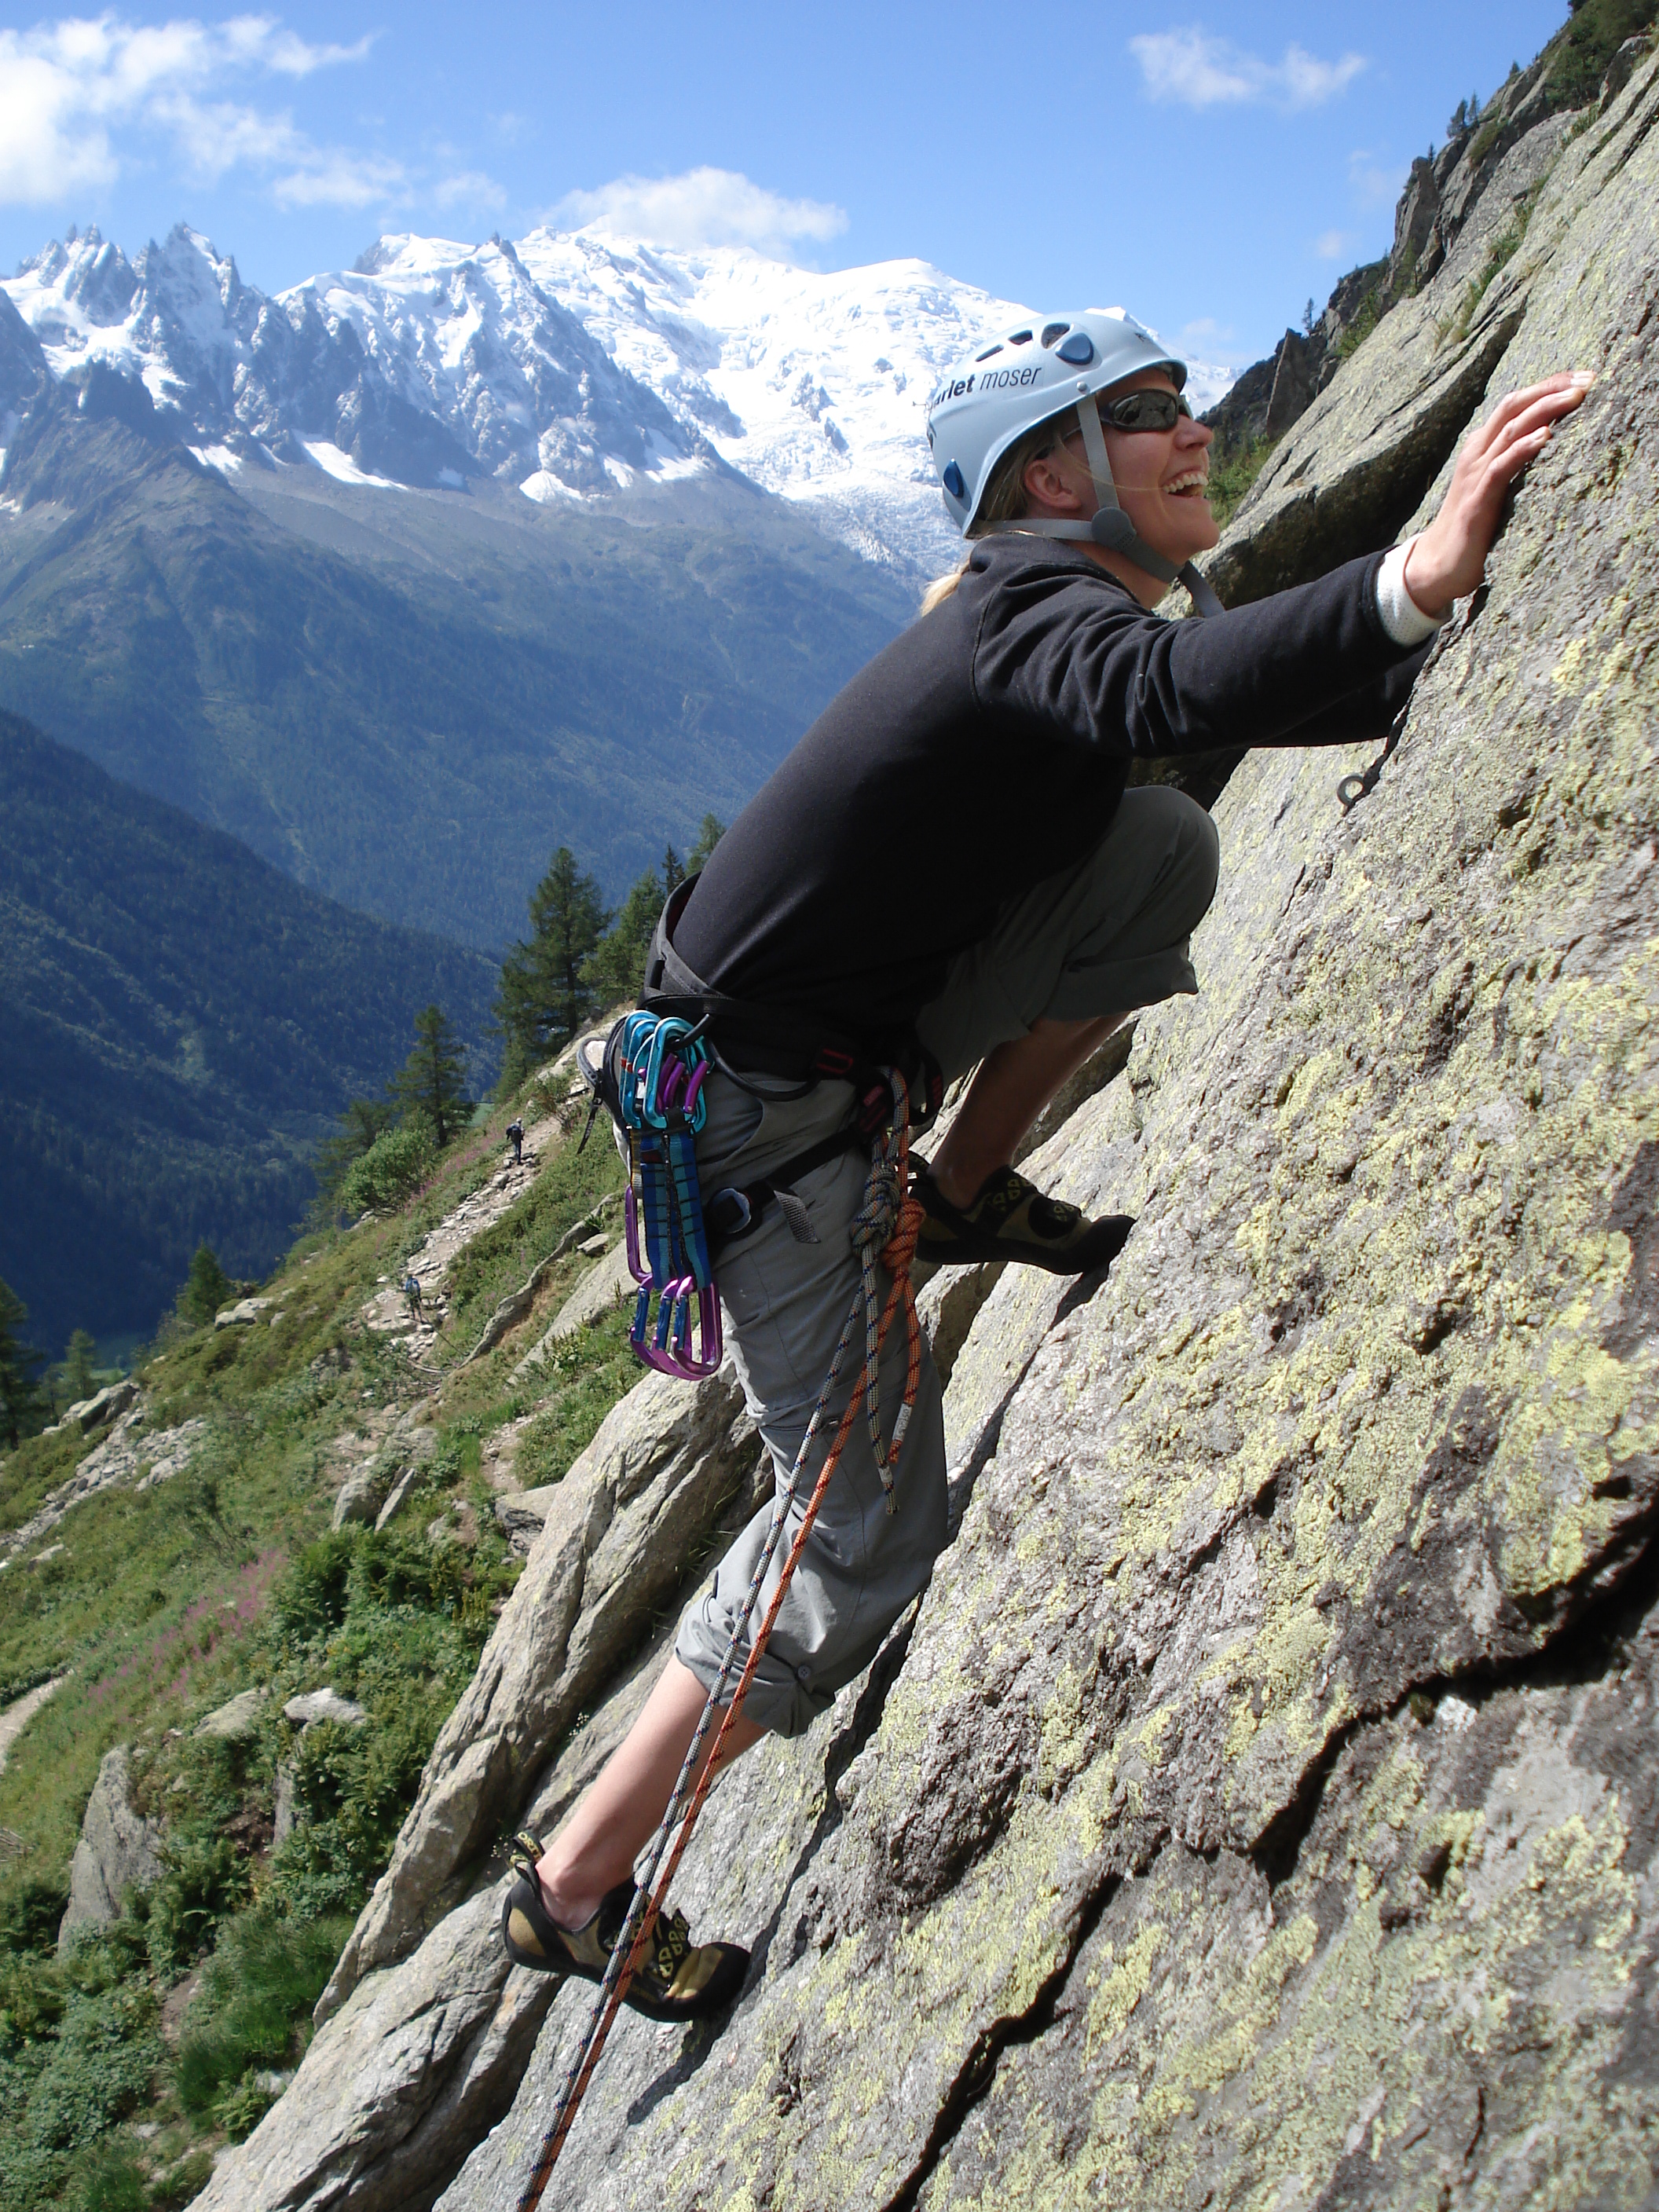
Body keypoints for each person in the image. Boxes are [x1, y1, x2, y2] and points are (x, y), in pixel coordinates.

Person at [500, 308, 1592, 2018]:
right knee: (852, 1532)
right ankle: (574, 1884)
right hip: (768, 1128)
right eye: (1145, 415)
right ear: (1044, 473)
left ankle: (957, 1188)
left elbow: (1173, 719)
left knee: (1145, 842)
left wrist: (1413, 654)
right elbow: (1161, 685)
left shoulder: (1035, 611)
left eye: (1179, 403)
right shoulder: (1028, 605)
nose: (1195, 429)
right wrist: (1416, 574)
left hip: (842, 1051)